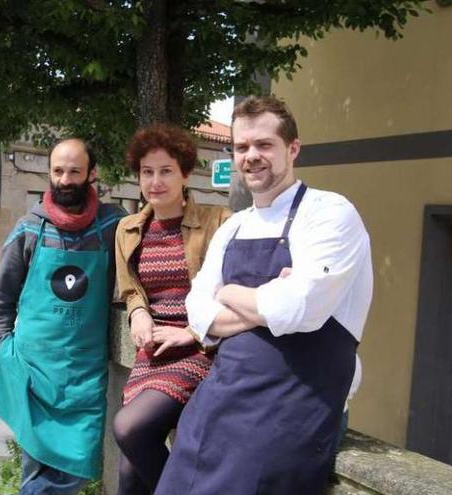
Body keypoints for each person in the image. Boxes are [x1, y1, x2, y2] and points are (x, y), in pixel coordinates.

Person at [155, 96, 373, 495]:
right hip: (219, 400)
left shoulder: (330, 214)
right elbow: (198, 312)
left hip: (289, 411)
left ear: (292, 148)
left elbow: (299, 308)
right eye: (241, 147)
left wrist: (231, 290)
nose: (251, 156)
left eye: (264, 145)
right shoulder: (234, 227)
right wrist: (266, 297)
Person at [0, 138, 126, 495]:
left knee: (77, 469)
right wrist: (5, 353)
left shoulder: (113, 226)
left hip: (84, 376)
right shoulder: (29, 229)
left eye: (74, 171)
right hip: (34, 374)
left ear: (91, 174)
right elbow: (0, 301)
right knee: (35, 472)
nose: (65, 179)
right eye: (58, 171)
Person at [111, 125, 231, 495]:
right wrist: (138, 313)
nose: (155, 181)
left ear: (184, 173)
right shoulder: (128, 229)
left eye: (165, 171)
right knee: (130, 474)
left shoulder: (219, 221)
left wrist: (192, 333)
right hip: (152, 352)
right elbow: (131, 291)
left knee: (129, 428)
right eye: (147, 172)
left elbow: (229, 293)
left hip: (198, 349)